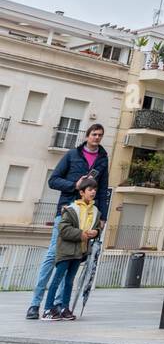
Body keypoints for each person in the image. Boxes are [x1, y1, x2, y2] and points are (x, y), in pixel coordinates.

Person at [26, 123, 110, 321]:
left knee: (73, 259)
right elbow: (53, 180)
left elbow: (103, 189)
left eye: (100, 135)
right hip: (66, 212)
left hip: (87, 216)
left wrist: (103, 216)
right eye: (94, 134)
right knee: (53, 255)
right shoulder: (72, 155)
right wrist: (75, 185)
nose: (97, 138)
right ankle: (35, 304)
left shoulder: (103, 159)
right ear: (87, 136)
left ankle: (58, 305)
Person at [42, 177, 103, 321]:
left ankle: (64, 308)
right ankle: (47, 309)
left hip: (80, 251)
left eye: (95, 189)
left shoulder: (95, 211)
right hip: (66, 251)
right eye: (90, 189)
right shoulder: (71, 209)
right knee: (57, 279)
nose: (93, 192)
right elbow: (63, 229)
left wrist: (96, 232)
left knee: (69, 281)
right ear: (82, 192)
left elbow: (95, 228)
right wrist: (81, 234)